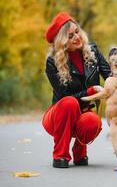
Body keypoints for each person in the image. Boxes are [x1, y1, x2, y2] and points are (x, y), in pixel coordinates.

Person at [42, 12, 111, 168]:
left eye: (77, 31)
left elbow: (110, 76)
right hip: (58, 116)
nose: (77, 37)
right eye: (70, 35)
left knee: (92, 120)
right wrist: (91, 90)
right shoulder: (52, 62)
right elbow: (64, 95)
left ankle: (80, 154)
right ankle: (60, 155)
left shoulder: (92, 51)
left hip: (82, 112)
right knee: (70, 103)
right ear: (61, 41)